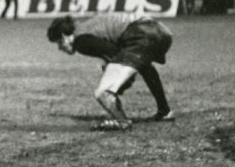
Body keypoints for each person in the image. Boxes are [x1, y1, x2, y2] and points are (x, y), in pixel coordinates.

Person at [46, 13, 174, 131]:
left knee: (103, 92)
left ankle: (121, 121)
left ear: (64, 35)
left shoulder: (80, 40)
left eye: (59, 42)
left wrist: (118, 78)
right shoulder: (86, 27)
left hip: (141, 34)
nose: (60, 48)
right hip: (161, 31)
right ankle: (164, 111)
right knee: (144, 65)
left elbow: (114, 51)